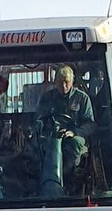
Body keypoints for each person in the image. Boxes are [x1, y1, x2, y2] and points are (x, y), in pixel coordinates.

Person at [36, 65, 94, 196]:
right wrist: (37, 127)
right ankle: (39, 185)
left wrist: (75, 133)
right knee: (33, 147)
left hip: (74, 137)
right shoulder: (47, 98)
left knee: (75, 144)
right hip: (49, 137)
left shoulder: (82, 98)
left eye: (66, 82)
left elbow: (90, 124)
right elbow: (39, 118)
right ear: (55, 82)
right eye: (60, 82)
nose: (64, 85)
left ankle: (69, 180)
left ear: (72, 81)